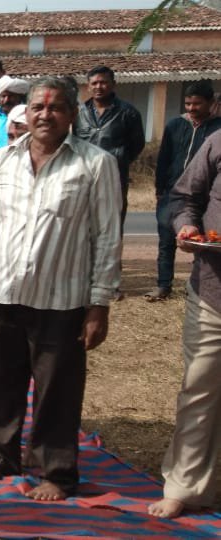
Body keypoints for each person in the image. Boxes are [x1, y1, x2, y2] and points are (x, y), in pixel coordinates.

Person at [0, 77, 122, 501]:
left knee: (57, 390)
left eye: (55, 108)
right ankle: (1, 457)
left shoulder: (95, 164)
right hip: (3, 292)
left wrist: (99, 304)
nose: (45, 115)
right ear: (26, 111)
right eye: (37, 107)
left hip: (62, 300)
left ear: (71, 114)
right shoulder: (2, 161)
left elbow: (107, 237)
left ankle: (57, 471)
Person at [149, 128, 221, 519]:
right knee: (200, 389)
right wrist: (186, 226)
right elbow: (184, 198)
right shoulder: (217, 143)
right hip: (214, 291)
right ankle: (185, 488)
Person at [147, 82, 221, 302]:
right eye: (188, 103)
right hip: (172, 194)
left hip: (203, 198)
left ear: (211, 103)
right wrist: (160, 189)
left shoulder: (217, 130)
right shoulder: (175, 125)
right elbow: (164, 159)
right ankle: (163, 285)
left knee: (200, 243)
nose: (191, 108)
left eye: (197, 103)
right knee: (167, 240)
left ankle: (195, 284)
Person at [75, 65, 145, 228]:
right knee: (84, 223)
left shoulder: (128, 112)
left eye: (103, 82)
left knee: (112, 223)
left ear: (113, 84)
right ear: (88, 86)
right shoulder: (79, 113)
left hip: (115, 176)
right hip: (85, 176)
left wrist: (119, 157)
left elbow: (137, 144)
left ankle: (111, 254)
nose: (98, 87)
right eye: (94, 83)